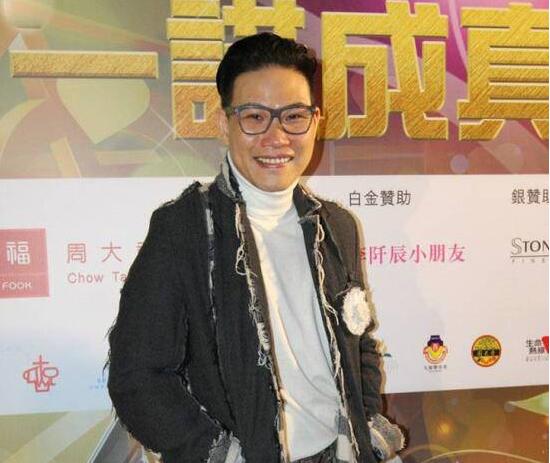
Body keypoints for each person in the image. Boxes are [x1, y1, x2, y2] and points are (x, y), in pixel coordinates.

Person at [108, 32, 403, 463]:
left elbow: (359, 343)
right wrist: (220, 454)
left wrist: (365, 428)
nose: (276, 136)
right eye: (254, 117)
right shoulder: (186, 229)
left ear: (315, 121)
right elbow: (137, 376)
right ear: (223, 123)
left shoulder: (336, 226)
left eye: (294, 116)